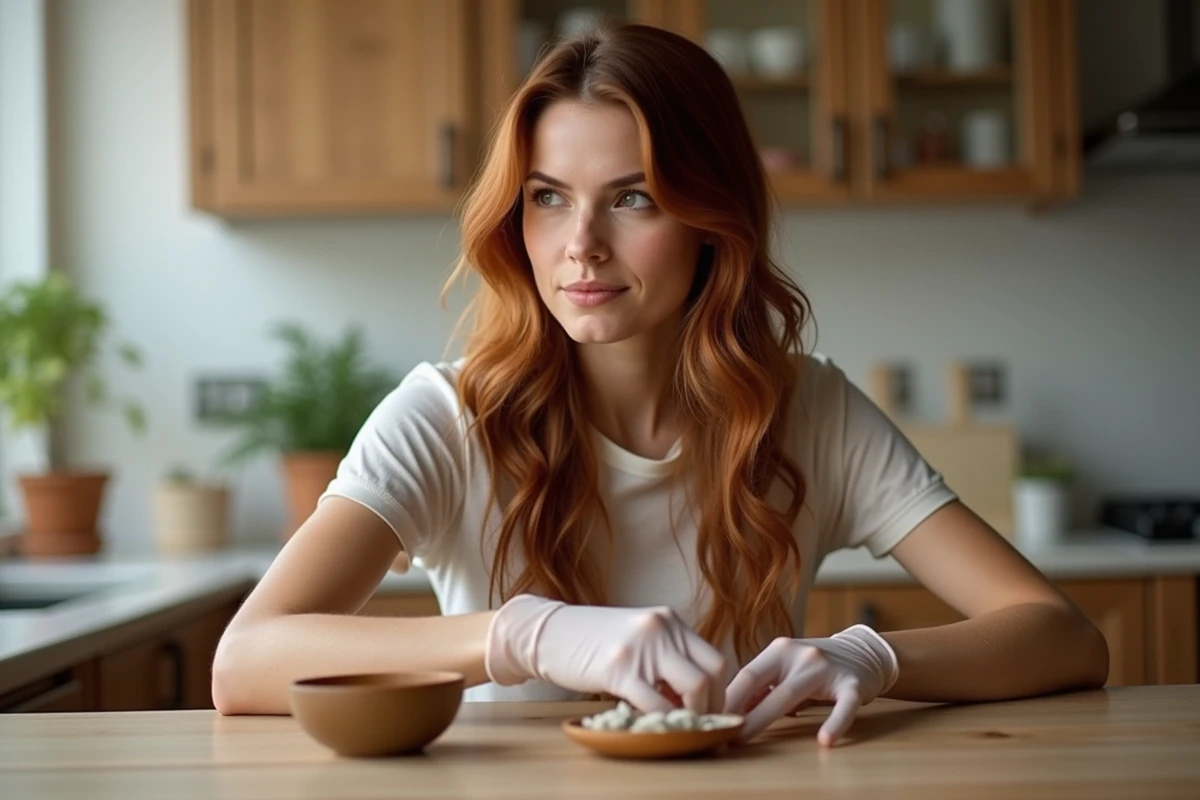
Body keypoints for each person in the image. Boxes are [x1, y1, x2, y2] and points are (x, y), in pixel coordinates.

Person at [211, 23, 1108, 746]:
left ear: (711, 219)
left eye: (633, 197)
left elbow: (1062, 635)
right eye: (547, 196)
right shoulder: (448, 415)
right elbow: (245, 659)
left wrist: (870, 657)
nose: (581, 245)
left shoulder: (809, 407)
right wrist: (528, 634)